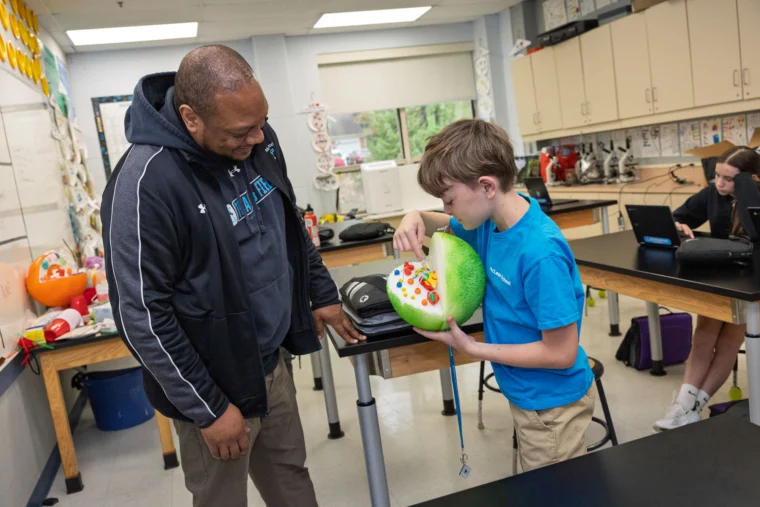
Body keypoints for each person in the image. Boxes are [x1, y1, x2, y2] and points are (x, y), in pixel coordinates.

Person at [101, 45, 365, 507]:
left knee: (292, 482)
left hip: (271, 361)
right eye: (241, 132)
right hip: (213, 383)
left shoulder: (257, 138)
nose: (258, 138)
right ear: (191, 118)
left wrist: (320, 291)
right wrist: (209, 408)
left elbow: (288, 223)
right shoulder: (146, 184)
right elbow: (142, 315)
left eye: (261, 123)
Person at [393, 119, 595, 472]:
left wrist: (472, 348)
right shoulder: (492, 221)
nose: (448, 209)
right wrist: (414, 216)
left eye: (449, 199)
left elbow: (561, 352)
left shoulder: (539, 253)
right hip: (527, 393)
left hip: (551, 406)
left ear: (486, 185)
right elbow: (440, 224)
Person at [655, 146, 760, 431]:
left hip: (752, 284)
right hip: (719, 276)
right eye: (717, 176)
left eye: (729, 179)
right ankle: (683, 407)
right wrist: (679, 226)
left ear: (751, 179)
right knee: (703, 337)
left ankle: (695, 407)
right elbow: (679, 216)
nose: (720, 184)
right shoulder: (714, 194)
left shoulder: (754, 198)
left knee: (728, 342)